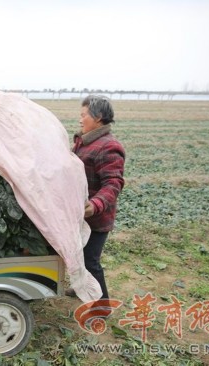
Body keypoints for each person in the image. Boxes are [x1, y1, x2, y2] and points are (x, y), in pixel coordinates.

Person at [70, 95, 125, 300]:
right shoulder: (85, 141)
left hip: (96, 218)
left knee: (90, 260)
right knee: (78, 257)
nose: (80, 119)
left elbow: (113, 183)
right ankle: (80, 288)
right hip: (81, 215)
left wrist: (95, 204)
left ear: (99, 117)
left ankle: (102, 305)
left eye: (83, 115)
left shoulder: (109, 146)